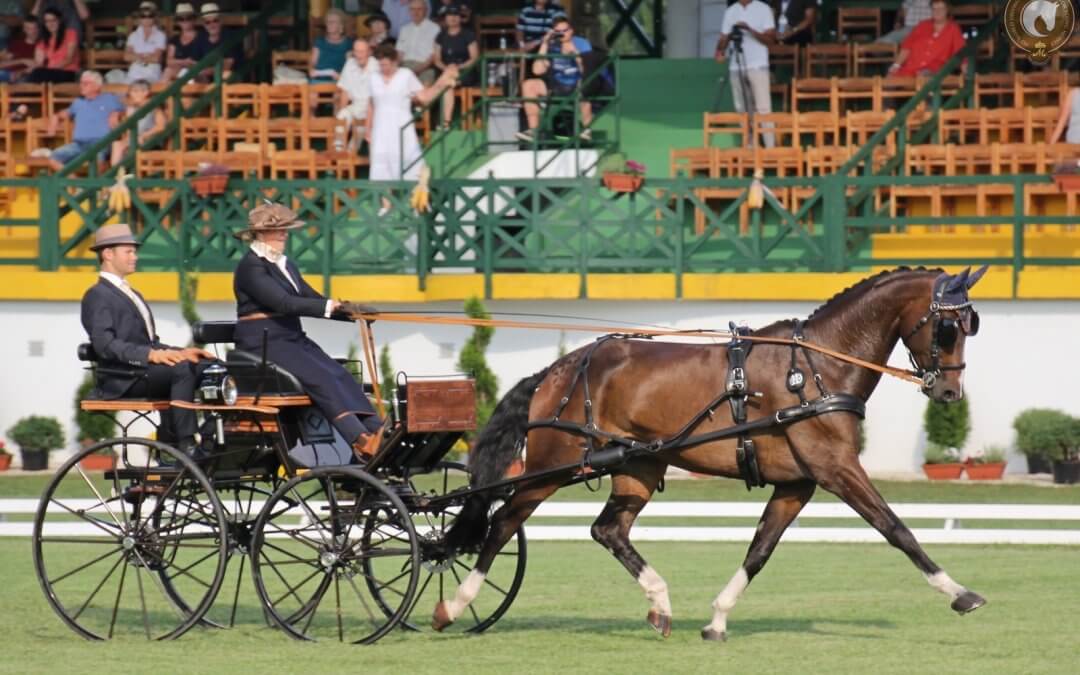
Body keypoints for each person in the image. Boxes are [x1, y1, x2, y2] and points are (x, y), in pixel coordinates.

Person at [231, 202, 383, 459]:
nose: (284, 234)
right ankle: (359, 439)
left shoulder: (285, 265)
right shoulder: (251, 267)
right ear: (258, 233)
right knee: (320, 377)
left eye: (285, 229)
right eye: (278, 229)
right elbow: (283, 303)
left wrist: (350, 312)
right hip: (264, 342)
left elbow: (308, 297)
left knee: (338, 373)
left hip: (290, 337)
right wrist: (328, 306)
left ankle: (377, 430)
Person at [81, 223, 216, 456]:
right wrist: (150, 355)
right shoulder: (97, 295)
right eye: (129, 251)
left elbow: (151, 342)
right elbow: (105, 345)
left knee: (210, 367)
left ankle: (212, 435)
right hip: (123, 376)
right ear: (108, 254)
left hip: (144, 370)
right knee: (182, 370)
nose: (135, 256)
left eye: (134, 251)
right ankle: (186, 443)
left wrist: (182, 352)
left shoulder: (131, 293)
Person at [366, 43, 457, 213]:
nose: (383, 67)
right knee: (382, 164)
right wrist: (368, 128)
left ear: (394, 62)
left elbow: (424, 97)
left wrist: (441, 84)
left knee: (411, 161)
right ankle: (386, 205)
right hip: (380, 127)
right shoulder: (373, 77)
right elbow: (371, 103)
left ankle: (419, 202)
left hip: (401, 124)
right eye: (380, 64)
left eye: (386, 64)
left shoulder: (406, 75)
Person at [516, 15, 594, 143]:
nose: (563, 34)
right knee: (528, 85)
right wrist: (545, 44)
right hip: (555, 85)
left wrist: (575, 53)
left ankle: (586, 130)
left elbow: (587, 69)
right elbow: (537, 70)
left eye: (565, 30)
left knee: (587, 85)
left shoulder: (582, 43)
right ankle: (533, 130)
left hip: (577, 84)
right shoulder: (551, 46)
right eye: (559, 32)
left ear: (571, 30)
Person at [714, 0, 775, 148]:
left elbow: (771, 40)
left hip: (758, 65)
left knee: (763, 109)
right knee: (742, 109)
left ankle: (770, 149)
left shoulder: (763, 8)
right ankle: (750, 147)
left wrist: (749, 29)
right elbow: (723, 38)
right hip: (736, 66)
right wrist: (721, 47)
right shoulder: (731, 11)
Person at [46, 70, 125, 171]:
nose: (81, 86)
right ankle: (76, 184)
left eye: (85, 83)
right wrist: (55, 117)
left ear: (97, 86)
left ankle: (95, 185)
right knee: (54, 158)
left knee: (97, 160)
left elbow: (126, 110)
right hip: (79, 144)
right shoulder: (78, 102)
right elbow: (63, 114)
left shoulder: (109, 99)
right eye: (81, 83)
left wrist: (117, 113)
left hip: (101, 143)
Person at [889, 0, 964, 78]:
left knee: (925, 76)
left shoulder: (953, 29)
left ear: (947, 10)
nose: (937, 11)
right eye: (934, 9)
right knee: (889, 79)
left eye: (941, 9)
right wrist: (896, 65)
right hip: (911, 71)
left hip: (935, 72)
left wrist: (967, 75)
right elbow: (906, 47)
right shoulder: (922, 25)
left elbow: (961, 53)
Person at [433, 4, 477, 129]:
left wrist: (458, 67)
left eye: (456, 15)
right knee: (448, 84)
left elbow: (474, 57)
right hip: (446, 71)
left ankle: (445, 122)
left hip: (465, 71)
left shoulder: (468, 35)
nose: (452, 18)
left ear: (460, 18)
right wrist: (447, 69)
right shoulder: (440, 36)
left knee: (447, 81)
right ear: (445, 18)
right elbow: (436, 59)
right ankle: (446, 122)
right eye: (449, 15)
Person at [110, 79, 167, 166]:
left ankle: (129, 173)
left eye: (136, 91)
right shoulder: (131, 108)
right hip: (134, 139)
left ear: (146, 92)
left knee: (133, 144)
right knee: (117, 144)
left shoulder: (154, 107)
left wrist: (144, 135)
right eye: (132, 91)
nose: (133, 94)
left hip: (150, 139)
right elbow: (129, 129)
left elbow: (161, 126)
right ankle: (116, 175)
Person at [336, 38, 376, 152]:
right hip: (355, 105)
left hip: (371, 107)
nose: (359, 55)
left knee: (359, 131)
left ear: (369, 52)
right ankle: (338, 152)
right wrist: (341, 109)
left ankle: (349, 156)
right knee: (342, 116)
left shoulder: (376, 66)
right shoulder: (349, 63)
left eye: (362, 51)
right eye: (356, 51)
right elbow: (345, 90)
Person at [25, 8, 78, 83]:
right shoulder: (43, 42)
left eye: (53, 20)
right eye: (47, 21)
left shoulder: (70, 33)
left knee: (37, 75)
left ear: (59, 20)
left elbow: (69, 59)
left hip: (66, 72)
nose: (50, 23)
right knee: (33, 74)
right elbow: (38, 63)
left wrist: (53, 69)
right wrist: (23, 72)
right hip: (49, 74)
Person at [396, 0, 439, 86]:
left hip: (425, 67)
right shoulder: (404, 29)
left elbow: (434, 56)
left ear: (426, 11)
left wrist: (417, 70)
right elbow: (399, 54)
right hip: (405, 67)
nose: (415, 12)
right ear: (409, 11)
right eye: (412, 9)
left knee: (423, 93)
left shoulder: (435, 28)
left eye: (419, 9)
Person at [162, 3, 208, 83]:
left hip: (198, 73)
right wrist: (184, 62)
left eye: (188, 18)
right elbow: (169, 61)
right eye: (181, 19)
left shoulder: (203, 37)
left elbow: (207, 59)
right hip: (179, 72)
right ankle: (160, 94)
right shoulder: (174, 40)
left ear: (194, 19)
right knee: (168, 71)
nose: (185, 21)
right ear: (177, 22)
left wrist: (193, 64)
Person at [125, 2, 167, 84]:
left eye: (150, 16)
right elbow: (126, 56)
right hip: (134, 71)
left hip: (152, 71)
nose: (146, 19)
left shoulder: (160, 35)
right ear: (139, 18)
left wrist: (137, 56)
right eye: (143, 16)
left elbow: (156, 58)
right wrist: (147, 56)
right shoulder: (133, 36)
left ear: (154, 17)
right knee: (122, 91)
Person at [200, 3, 243, 77]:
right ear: (204, 24)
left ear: (221, 20)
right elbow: (195, 62)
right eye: (208, 22)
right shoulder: (201, 38)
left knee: (226, 75)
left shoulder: (230, 36)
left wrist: (205, 71)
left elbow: (228, 65)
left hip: (233, 79)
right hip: (208, 79)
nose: (212, 25)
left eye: (215, 20)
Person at [310, 8, 351, 83]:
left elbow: (349, 66)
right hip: (318, 79)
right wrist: (312, 70)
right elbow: (313, 62)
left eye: (333, 22)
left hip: (338, 80)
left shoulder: (348, 43)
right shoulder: (319, 41)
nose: (329, 24)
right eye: (328, 21)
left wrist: (340, 76)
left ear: (341, 25)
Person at [0, 16, 41, 83]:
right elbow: (1, 64)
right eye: (29, 28)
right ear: (24, 29)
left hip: (25, 76)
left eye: (35, 28)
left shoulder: (42, 46)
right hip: (7, 74)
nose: (33, 31)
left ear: (39, 29)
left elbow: (39, 66)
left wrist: (20, 72)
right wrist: (22, 60)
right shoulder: (16, 44)